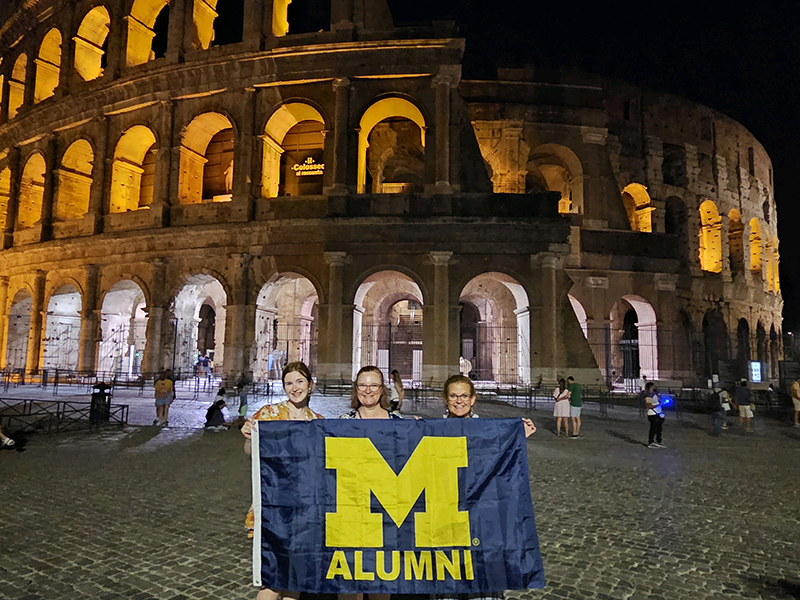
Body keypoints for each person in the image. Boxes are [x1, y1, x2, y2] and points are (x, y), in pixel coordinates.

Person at [241, 361, 322, 600]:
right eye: (289, 383)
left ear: (310, 385)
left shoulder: (319, 422)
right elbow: (251, 453)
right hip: (273, 507)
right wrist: (248, 438)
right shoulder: (268, 414)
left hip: (304, 510)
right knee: (271, 581)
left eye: (300, 381)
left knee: (294, 582)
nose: (294, 387)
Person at [442, 374, 536, 437]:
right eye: (453, 396)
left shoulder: (486, 429)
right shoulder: (432, 429)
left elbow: (501, 453)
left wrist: (518, 436)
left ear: (472, 399)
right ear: (446, 399)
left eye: (464, 396)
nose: (459, 401)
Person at [645, 381, 666, 448]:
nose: (654, 387)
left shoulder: (654, 394)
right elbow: (649, 406)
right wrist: (659, 404)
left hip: (658, 413)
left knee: (659, 428)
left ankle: (658, 441)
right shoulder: (648, 395)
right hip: (652, 414)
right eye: (653, 386)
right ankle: (651, 442)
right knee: (654, 428)